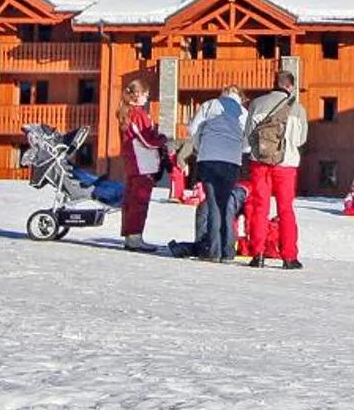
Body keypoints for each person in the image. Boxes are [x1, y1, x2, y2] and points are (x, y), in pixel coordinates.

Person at [242, 68, 308, 269]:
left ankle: (258, 254)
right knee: (285, 209)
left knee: (259, 208)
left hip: (259, 163)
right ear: (290, 86)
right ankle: (288, 256)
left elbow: (247, 137)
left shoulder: (256, 104)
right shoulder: (297, 108)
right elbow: (300, 140)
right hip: (286, 165)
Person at [182, 86, 249, 262]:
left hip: (209, 158)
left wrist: (200, 146)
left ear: (223, 93)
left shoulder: (210, 105)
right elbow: (249, 141)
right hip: (232, 162)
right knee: (226, 204)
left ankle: (213, 251)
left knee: (212, 205)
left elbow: (193, 129)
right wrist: (236, 149)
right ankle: (228, 251)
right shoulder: (243, 111)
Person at [117, 77, 170, 253]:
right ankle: (135, 237)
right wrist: (162, 139)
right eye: (145, 94)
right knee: (140, 201)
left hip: (133, 162)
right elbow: (146, 140)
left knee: (131, 201)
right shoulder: (138, 113)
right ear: (137, 94)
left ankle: (130, 235)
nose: (147, 97)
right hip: (143, 163)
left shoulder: (126, 112)